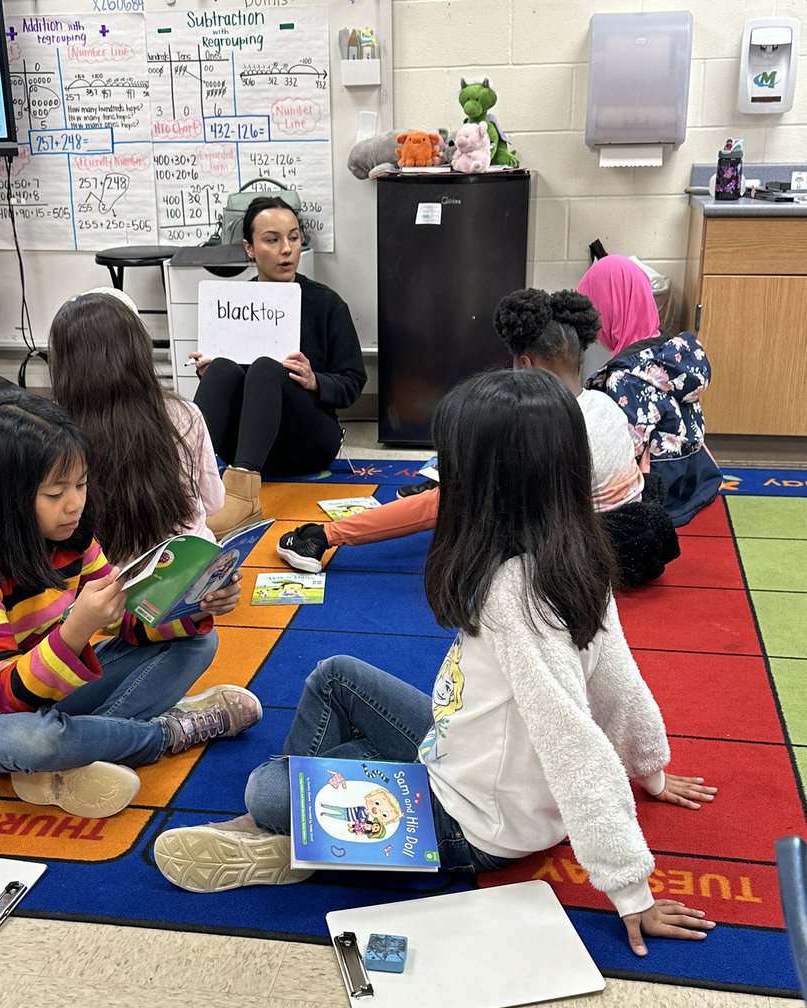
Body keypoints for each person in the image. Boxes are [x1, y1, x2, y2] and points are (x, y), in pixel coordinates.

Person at [155, 370, 717, 958]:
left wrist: (632, 890)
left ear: (490, 484)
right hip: (458, 752)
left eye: (454, 466)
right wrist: (651, 767)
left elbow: (575, 742)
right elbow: (619, 680)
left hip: (471, 825)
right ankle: (313, 826)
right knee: (334, 675)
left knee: (264, 792)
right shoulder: (576, 556)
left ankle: (287, 836)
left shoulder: (516, 599)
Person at [0, 390, 261, 819]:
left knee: (197, 643)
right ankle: (165, 733)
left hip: (44, 688)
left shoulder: (71, 535)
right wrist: (76, 629)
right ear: (4, 497)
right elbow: (3, 695)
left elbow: (131, 626)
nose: (75, 503)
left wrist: (195, 605)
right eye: (55, 492)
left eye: (80, 484)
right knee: (38, 741)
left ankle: (78, 759)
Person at [278, 288, 680, 587]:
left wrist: (330, 533)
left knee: (450, 503)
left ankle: (318, 536)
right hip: (630, 525)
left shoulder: (542, 425)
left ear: (525, 363)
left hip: (582, 546)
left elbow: (443, 507)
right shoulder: (605, 403)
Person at [190, 195, 367, 537]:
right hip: (245, 444)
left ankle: (243, 501)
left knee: (268, 369)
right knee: (224, 368)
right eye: (272, 240)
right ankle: (183, 485)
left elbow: (352, 383)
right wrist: (207, 371)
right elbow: (226, 383)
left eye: (294, 237)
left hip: (307, 444)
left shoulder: (326, 303)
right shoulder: (233, 303)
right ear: (250, 249)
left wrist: (315, 381)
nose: (286, 249)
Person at [49, 287, 223, 564]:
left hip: (105, 588)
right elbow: (214, 503)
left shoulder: (52, 433)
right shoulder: (185, 413)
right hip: (191, 576)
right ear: (140, 350)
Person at [577, 254, 722, 526]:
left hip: (660, 494)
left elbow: (621, 454)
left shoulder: (624, 377)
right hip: (695, 478)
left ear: (610, 311)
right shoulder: (673, 352)